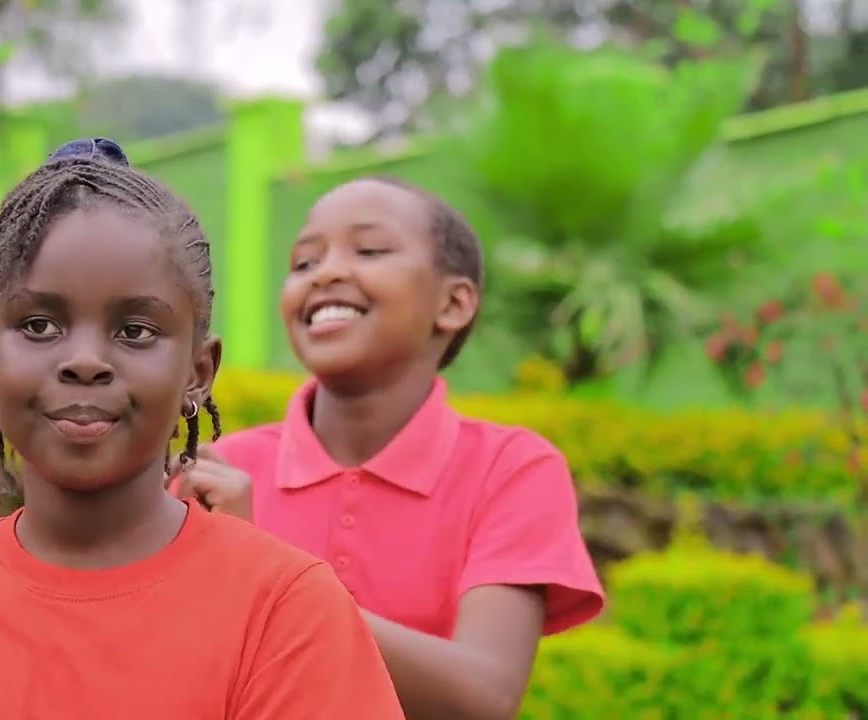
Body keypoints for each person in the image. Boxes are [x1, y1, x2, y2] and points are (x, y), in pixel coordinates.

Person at [0, 142, 407, 720]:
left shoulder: (286, 611)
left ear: (198, 373)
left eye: (135, 330)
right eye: (38, 324)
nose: (84, 360)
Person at [176, 175, 607, 720]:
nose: (327, 272)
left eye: (371, 250)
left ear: (452, 303)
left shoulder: (512, 468)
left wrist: (265, 572)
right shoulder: (224, 469)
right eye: (304, 262)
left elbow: (484, 696)